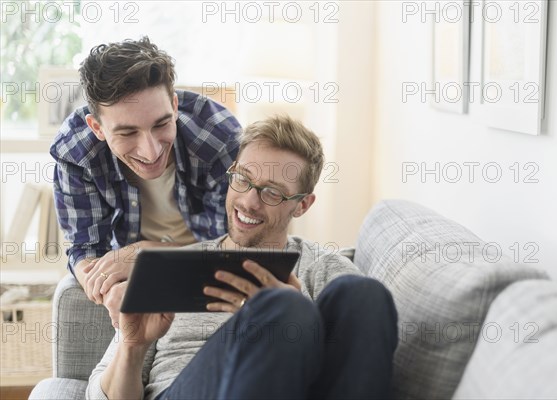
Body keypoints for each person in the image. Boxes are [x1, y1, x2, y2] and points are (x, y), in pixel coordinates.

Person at [86, 115, 399, 399]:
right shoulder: (173, 267)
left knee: (365, 295)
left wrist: (294, 326)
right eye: (243, 179)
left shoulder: (327, 272)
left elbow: (353, 364)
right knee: (284, 307)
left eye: (272, 192)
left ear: (302, 205)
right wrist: (132, 346)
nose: (249, 202)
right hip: (185, 390)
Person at [50, 37, 241, 306]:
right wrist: (104, 287)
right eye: (128, 132)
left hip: (204, 276)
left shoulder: (220, 139)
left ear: (174, 107)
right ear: (97, 128)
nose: (150, 152)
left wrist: (147, 253)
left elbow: (232, 252)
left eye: (161, 124)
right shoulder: (75, 152)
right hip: (135, 272)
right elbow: (87, 250)